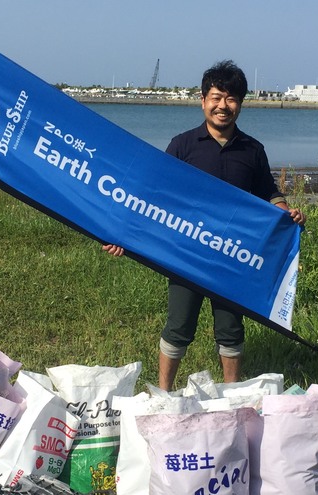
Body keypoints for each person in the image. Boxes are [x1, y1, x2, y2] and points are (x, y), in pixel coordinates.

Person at [103, 60, 306, 390]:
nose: (222, 106)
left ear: (240, 103)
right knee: (179, 325)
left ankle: (230, 395)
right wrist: (122, 235)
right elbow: (153, 196)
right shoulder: (183, 145)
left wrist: (286, 213)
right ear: (203, 100)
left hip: (231, 255)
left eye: (231, 99)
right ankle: (164, 393)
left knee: (230, 329)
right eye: (216, 97)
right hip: (185, 253)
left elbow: (268, 191)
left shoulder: (253, 150)